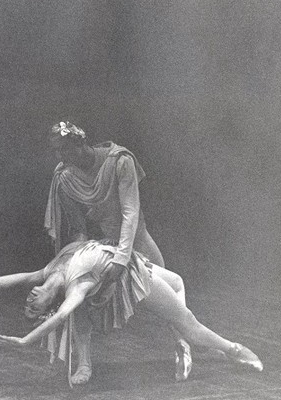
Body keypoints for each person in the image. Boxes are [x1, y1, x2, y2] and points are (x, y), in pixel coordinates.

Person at [0, 240, 263, 388]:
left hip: (128, 258)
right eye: (32, 308)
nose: (30, 298)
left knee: (179, 282)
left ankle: (180, 341)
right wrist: (24, 342)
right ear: (46, 309)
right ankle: (234, 349)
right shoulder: (77, 287)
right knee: (188, 323)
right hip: (132, 279)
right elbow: (63, 317)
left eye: (28, 300)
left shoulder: (44, 272)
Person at [44, 121, 191, 384]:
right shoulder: (65, 176)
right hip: (106, 244)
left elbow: (130, 212)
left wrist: (123, 257)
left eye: (65, 149)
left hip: (136, 240)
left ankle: (182, 343)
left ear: (80, 143)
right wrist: (76, 258)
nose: (61, 157)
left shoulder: (119, 161)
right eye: (57, 151)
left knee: (172, 290)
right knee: (79, 298)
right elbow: (78, 226)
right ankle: (85, 362)